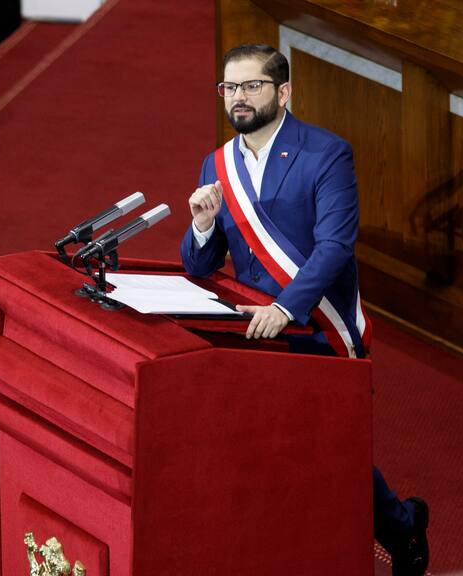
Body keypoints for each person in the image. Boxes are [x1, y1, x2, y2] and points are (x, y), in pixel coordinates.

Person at [181, 43, 429, 576]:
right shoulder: (217, 161)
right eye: (230, 87)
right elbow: (201, 266)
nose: (239, 98)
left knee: (333, 452)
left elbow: (335, 247)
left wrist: (287, 309)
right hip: (251, 333)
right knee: (265, 451)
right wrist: (202, 225)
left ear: (283, 91)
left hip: (315, 327)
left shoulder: (326, 153)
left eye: (252, 86)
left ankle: (402, 526)